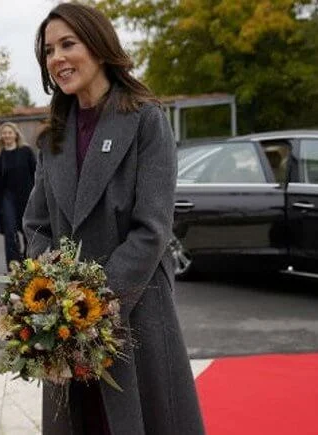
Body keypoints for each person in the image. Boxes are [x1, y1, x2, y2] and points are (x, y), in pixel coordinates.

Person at [23, 3, 205, 435]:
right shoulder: (53, 136)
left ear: (100, 47)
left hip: (133, 310)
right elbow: (36, 224)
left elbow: (153, 227)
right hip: (65, 324)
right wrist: (57, 298)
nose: (57, 59)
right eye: (49, 51)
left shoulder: (145, 120)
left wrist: (95, 305)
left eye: (68, 44)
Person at [0, 122, 36, 269]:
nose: (7, 135)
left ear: (15, 134)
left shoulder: (26, 151)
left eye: (9, 132)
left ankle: (29, 263)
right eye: (4, 133)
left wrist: (40, 194)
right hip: (7, 198)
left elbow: (36, 173)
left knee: (27, 230)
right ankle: (13, 265)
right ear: (1, 137)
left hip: (26, 196)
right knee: (10, 231)